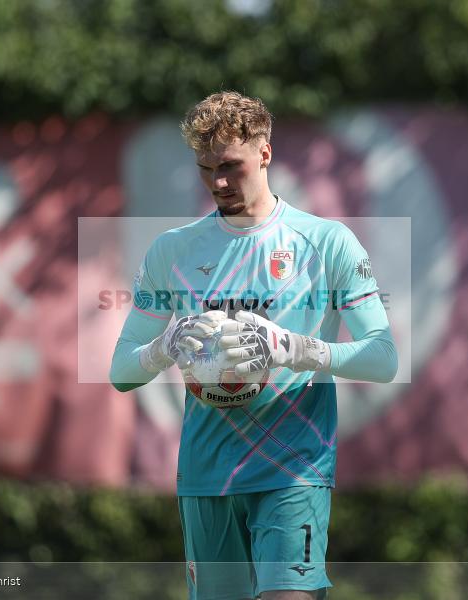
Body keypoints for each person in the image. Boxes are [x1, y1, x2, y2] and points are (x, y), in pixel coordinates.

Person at [110, 91, 398, 600]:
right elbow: (121, 371)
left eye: (229, 166)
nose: (217, 183)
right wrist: (164, 347)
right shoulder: (173, 250)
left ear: (265, 153)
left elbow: (383, 356)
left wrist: (295, 349)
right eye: (205, 169)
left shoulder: (327, 243)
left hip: (295, 465)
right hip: (207, 472)